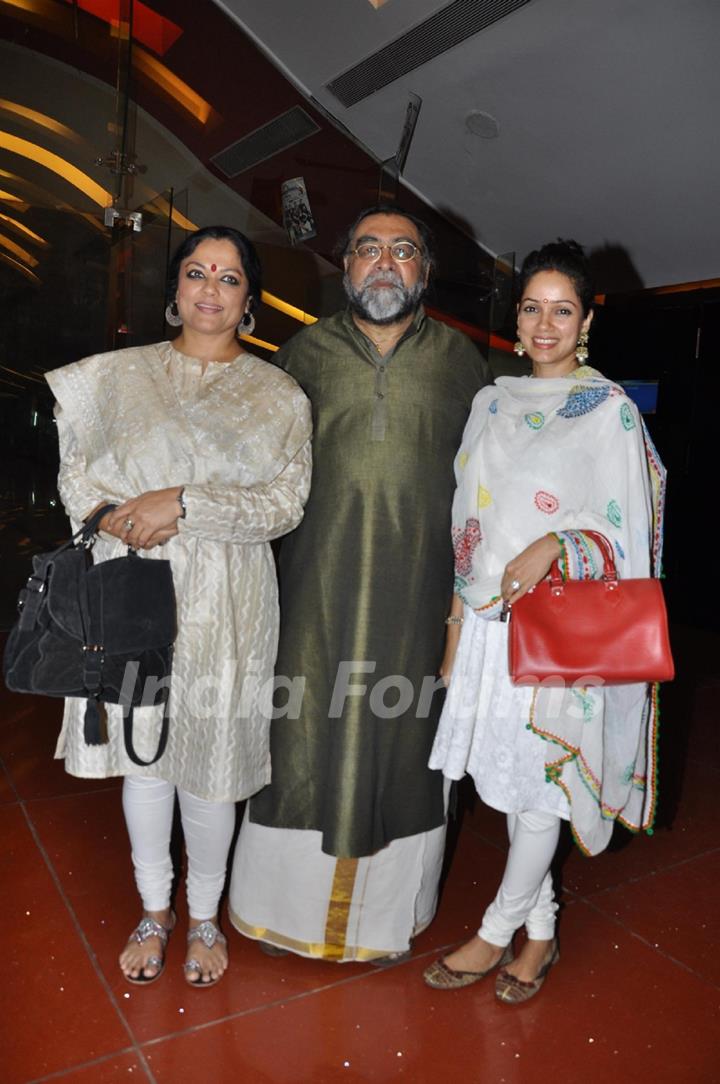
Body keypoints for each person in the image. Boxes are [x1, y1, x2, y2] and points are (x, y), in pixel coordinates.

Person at [46, 225, 312, 988]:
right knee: (146, 759)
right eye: (196, 272)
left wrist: (184, 504)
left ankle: (203, 917)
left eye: (228, 279)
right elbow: (76, 479)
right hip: (131, 587)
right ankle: (153, 911)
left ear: (249, 303)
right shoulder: (114, 377)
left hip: (228, 599)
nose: (210, 288)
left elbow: (284, 504)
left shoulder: (278, 395)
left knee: (210, 766)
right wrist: (113, 518)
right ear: (174, 292)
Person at [229, 204, 490, 962]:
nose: (384, 263)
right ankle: (282, 912)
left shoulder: (464, 365)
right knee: (300, 733)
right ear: (344, 268)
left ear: (425, 272)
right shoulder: (301, 356)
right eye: (367, 249)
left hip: (420, 602)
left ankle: (383, 920)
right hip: (311, 595)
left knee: (406, 745)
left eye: (402, 251)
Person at [423, 239, 666, 1002]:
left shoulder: (609, 412)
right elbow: (465, 523)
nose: (545, 323)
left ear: (587, 318)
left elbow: (633, 531)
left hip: (562, 629)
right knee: (521, 787)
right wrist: (456, 629)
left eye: (563, 309)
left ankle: (495, 932)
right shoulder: (490, 402)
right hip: (492, 629)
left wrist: (562, 542)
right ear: (517, 318)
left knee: (542, 786)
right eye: (533, 307)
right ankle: (544, 933)